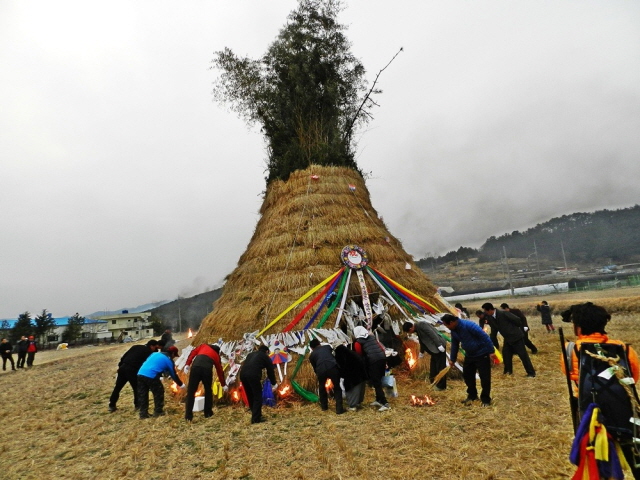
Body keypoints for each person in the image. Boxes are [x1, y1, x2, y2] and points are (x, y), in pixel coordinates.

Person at [560, 302, 640, 478]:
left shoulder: (571, 350)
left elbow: (570, 375)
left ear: (578, 328)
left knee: (597, 460)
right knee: (635, 454)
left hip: (590, 414)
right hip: (624, 410)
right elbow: (633, 378)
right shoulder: (624, 349)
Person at [443, 314, 496, 407]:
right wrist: (452, 359)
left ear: (451, 322)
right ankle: (472, 396)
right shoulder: (454, 331)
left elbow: (484, 336)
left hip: (482, 354)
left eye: (446, 325)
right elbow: (455, 344)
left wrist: (491, 351)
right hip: (469, 355)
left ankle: (486, 399)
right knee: (467, 376)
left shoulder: (468, 325)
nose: (446, 327)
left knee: (485, 378)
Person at [108, 339, 160, 412]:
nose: (156, 350)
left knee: (118, 387)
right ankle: (137, 405)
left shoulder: (135, 346)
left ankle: (111, 405)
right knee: (137, 388)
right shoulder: (148, 353)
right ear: (151, 346)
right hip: (132, 370)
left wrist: (120, 366)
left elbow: (123, 357)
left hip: (123, 368)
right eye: (156, 347)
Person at [137, 345, 185, 419]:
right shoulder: (169, 360)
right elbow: (173, 375)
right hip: (151, 375)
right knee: (158, 392)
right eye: (174, 355)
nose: (173, 357)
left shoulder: (155, 354)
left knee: (143, 394)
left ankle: (143, 414)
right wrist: (181, 385)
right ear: (172, 353)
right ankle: (158, 411)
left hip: (140, 374)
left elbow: (155, 364)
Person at [183, 343, 227, 422]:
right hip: (206, 370)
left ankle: (188, 416)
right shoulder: (216, 356)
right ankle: (208, 413)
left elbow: (193, 352)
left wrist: (187, 364)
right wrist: (223, 384)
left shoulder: (203, 346)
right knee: (208, 391)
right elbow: (220, 371)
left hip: (195, 368)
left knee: (191, 391)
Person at [353, 326, 390, 412]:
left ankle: (385, 403)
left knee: (376, 382)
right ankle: (378, 399)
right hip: (382, 358)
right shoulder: (372, 337)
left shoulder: (358, 342)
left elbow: (359, 354)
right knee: (378, 380)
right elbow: (381, 348)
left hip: (374, 361)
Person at [402, 320, 447, 390]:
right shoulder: (417, 329)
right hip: (434, 351)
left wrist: (439, 345)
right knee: (433, 368)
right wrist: (421, 352)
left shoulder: (422, 325)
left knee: (440, 367)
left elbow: (432, 334)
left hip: (438, 348)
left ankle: (441, 386)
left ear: (411, 329)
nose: (409, 333)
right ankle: (434, 383)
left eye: (409, 332)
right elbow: (422, 341)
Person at [239, 344, 277, 424]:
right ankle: (256, 419)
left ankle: (256, 414)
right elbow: (270, 370)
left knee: (250, 395)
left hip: (242, 375)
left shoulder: (250, 354)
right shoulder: (265, 356)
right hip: (253, 375)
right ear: (267, 351)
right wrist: (274, 383)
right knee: (257, 396)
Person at [308, 339, 344, 414]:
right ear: (319, 344)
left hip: (321, 370)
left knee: (322, 387)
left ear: (311, 348)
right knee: (337, 387)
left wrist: (318, 374)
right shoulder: (327, 347)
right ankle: (339, 409)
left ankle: (324, 407)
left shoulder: (311, 356)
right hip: (332, 367)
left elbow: (314, 368)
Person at [334, 344, 367, 411]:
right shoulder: (350, 352)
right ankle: (358, 403)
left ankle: (352, 406)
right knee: (360, 389)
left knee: (353, 389)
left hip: (354, 375)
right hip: (362, 373)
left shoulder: (340, 354)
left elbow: (342, 367)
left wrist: (340, 374)